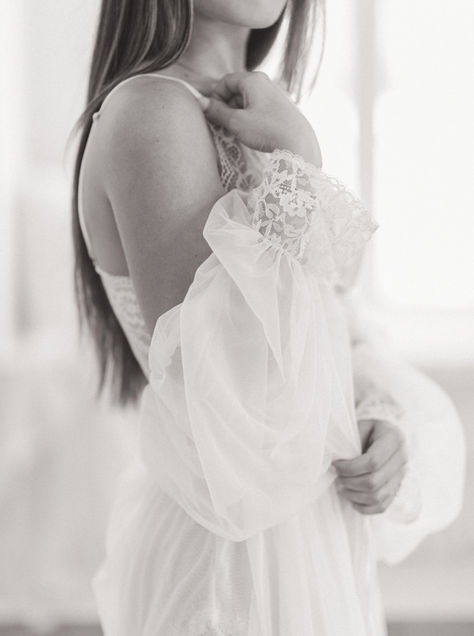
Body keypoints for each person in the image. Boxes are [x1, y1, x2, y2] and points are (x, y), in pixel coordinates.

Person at [71, 1, 466, 634]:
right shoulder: (152, 111)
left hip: (302, 542)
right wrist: (300, 158)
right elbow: (238, 387)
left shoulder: (258, 110)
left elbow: (330, 329)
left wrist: (376, 415)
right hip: (229, 567)